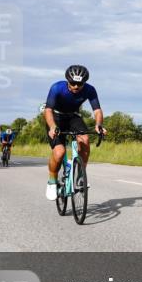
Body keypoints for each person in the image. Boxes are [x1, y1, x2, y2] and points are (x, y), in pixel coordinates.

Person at [43, 65, 106, 200]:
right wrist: (53, 127)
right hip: (56, 117)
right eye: (73, 83)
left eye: (80, 84)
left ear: (84, 83)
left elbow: (97, 110)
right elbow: (48, 110)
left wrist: (99, 125)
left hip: (73, 116)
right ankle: (52, 181)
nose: (76, 86)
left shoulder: (90, 89)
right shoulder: (57, 88)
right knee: (59, 153)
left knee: (85, 140)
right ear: (67, 81)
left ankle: (80, 177)